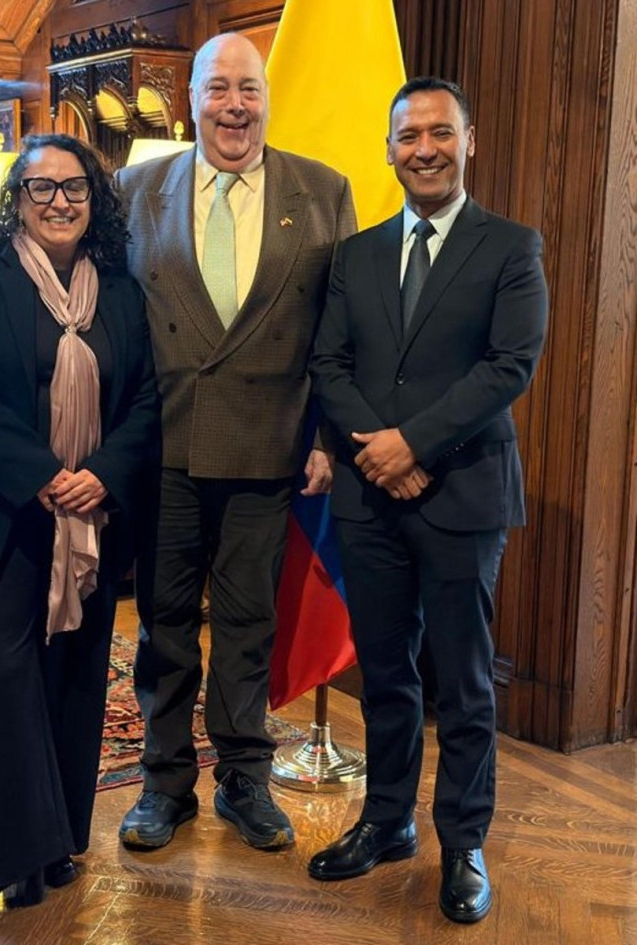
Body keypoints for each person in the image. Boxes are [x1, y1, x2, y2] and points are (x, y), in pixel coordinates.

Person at [0, 133, 160, 927]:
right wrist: (43, 473)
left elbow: (147, 396)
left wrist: (102, 473)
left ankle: (52, 846)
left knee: (70, 678)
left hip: (88, 514)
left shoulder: (120, 290)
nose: (57, 201)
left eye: (73, 186)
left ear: (95, 199)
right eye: (39, 187)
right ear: (15, 199)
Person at [307, 77, 548, 924]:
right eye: (408, 136)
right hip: (370, 500)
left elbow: (508, 365)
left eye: (439, 133)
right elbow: (328, 364)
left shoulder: (510, 246)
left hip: (463, 495)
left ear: (467, 141)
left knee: (463, 681)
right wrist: (379, 454)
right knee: (383, 672)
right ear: (388, 150)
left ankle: (463, 842)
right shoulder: (356, 254)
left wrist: (410, 445)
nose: (424, 150)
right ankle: (386, 820)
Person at [114, 32, 357, 851]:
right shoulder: (133, 189)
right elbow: (114, 324)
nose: (234, 105)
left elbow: (340, 329)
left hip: (270, 443)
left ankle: (244, 780)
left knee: (249, 622)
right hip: (165, 445)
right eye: (217, 87)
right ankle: (163, 784)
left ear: (266, 98)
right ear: (190, 99)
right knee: (164, 623)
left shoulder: (321, 191)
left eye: (248, 88)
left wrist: (328, 435)